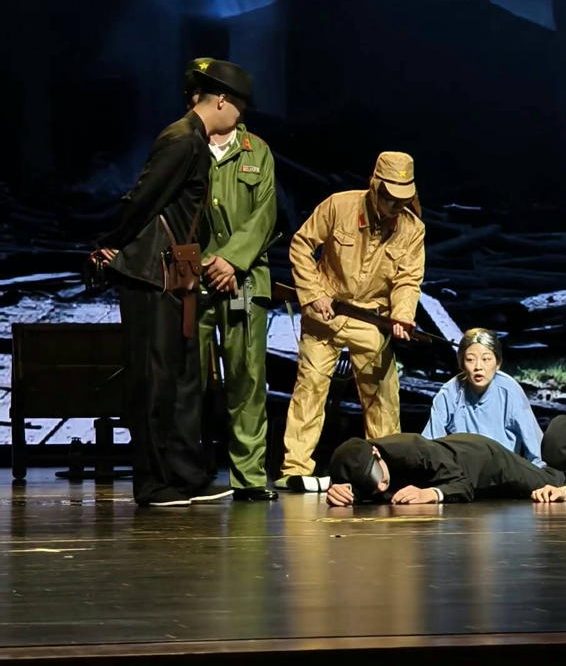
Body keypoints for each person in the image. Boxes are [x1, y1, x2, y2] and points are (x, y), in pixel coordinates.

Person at [90, 61, 254, 506]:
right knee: (152, 378)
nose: (240, 116)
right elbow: (143, 198)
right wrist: (110, 243)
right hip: (150, 274)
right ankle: (152, 482)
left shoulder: (193, 139)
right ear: (221, 101)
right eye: (239, 107)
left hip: (173, 274)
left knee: (179, 377)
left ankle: (183, 476)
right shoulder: (181, 139)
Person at [276, 152, 426, 492]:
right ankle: (295, 467)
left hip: (370, 317)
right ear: (375, 186)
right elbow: (301, 245)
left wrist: (402, 315)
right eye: (390, 198)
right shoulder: (339, 206)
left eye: (403, 200)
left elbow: (408, 279)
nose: (396, 206)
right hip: (325, 312)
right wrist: (313, 294)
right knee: (310, 388)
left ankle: (389, 469)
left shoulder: (412, 229)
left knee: (382, 395)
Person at [182, 58, 279, 502]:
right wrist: (207, 262)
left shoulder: (257, 151)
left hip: (245, 282)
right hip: (195, 282)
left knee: (247, 380)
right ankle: (188, 473)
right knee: (190, 381)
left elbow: (265, 215)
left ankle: (249, 476)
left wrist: (232, 261)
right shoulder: (185, 145)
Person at [325, 433, 566, 506]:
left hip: (483, 459)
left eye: (376, 475)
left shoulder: (412, 450)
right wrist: (341, 493)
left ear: (376, 454)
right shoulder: (353, 467)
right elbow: (346, 485)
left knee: (546, 483)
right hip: (457, 474)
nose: (379, 486)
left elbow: (462, 485)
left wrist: (429, 493)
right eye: (369, 482)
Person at [423, 328, 544, 466]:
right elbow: (430, 444)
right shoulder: (449, 392)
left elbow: (536, 450)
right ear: (462, 364)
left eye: (486, 359)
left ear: (498, 363)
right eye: (470, 360)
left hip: (505, 471)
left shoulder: (509, 391)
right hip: (462, 470)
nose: (478, 367)